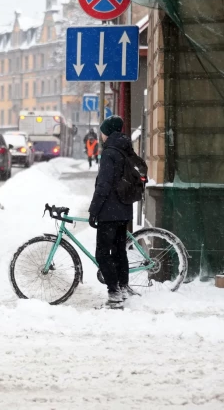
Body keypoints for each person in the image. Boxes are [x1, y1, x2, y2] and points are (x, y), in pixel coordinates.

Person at [88, 116, 137, 309]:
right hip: (123, 209)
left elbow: (104, 185)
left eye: (102, 131)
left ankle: (114, 293)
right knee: (118, 252)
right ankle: (123, 288)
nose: (100, 135)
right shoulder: (125, 149)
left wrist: (94, 210)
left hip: (109, 212)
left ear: (108, 132)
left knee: (102, 254)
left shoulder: (109, 153)